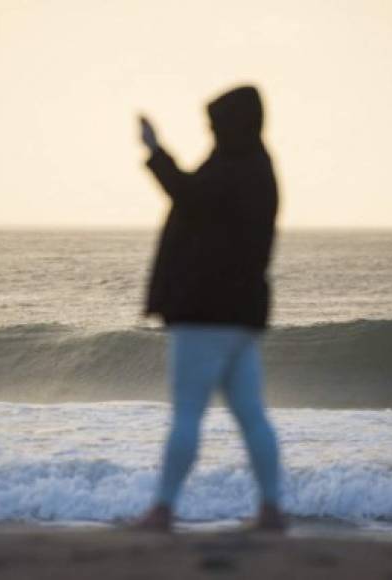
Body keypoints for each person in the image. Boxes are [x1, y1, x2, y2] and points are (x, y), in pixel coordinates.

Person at [134, 85, 285, 532]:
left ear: (231, 125)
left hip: (205, 312)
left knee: (186, 413)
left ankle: (162, 509)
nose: (211, 132)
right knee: (252, 415)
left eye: (215, 124)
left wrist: (154, 150)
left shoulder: (232, 167)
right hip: (242, 315)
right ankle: (272, 509)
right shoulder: (261, 167)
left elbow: (186, 194)